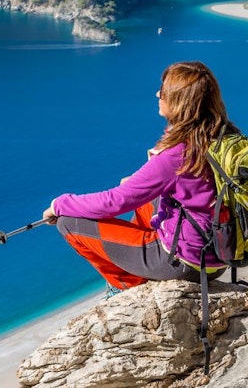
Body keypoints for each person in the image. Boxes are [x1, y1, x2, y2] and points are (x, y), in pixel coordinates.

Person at [42, 60, 237, 291]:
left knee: (68, 222)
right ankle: (139, 262)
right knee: (146, 197)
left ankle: (128, 287)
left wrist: (59, 204)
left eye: (163, 92)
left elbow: (114, 202)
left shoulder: (176, 155)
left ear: (178, 102)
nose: (157, 94)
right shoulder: (224, 137)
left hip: (184, 261)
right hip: (219, 252)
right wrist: (136, 184)